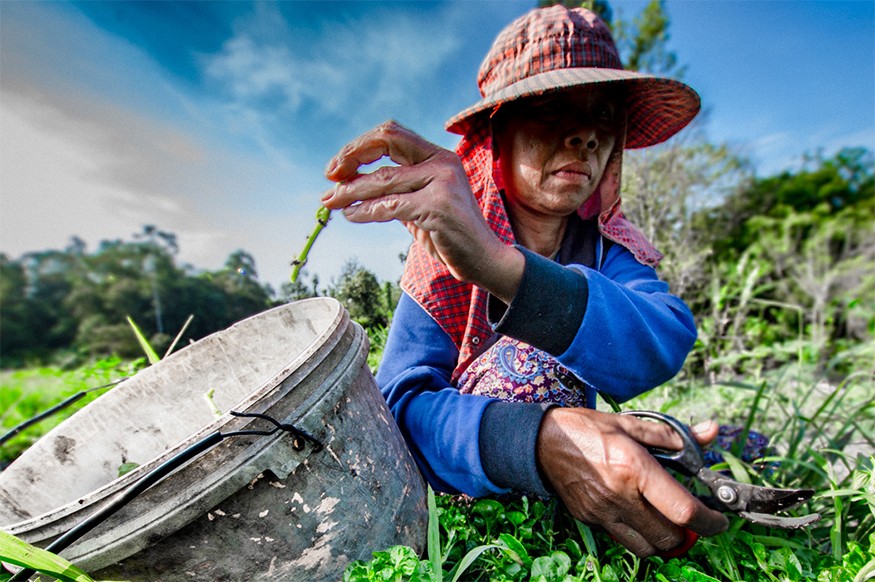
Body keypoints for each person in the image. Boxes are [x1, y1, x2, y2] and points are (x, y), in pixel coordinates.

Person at [320, 5, 728, 557]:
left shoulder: (607, 249)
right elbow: (402, 403)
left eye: (603, 116)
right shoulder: (441, 247)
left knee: (709, 445)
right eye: (551, 108)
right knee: (526, 367)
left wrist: (502, 269)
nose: (585, 135)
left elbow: (665, 337)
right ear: (497, 134)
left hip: (564, 448)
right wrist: (538, 441)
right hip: (470, 478)